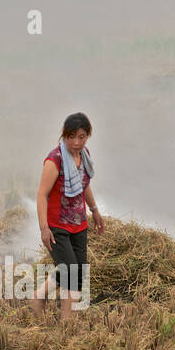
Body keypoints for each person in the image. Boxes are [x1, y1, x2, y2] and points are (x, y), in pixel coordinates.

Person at [32, 112, 104, 319]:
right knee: (71, 271)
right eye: (71, 137)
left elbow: (84, 185)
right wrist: (44, 228)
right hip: (57, 226)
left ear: (88, 135)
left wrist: (95, 210)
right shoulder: (54, 161)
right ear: (64, 136)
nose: (76, 142)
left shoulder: (84, 156)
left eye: (81, 137)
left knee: (78, 271)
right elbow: (41, 195)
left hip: (79, 224)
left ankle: (39, 295)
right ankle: (67, 322)